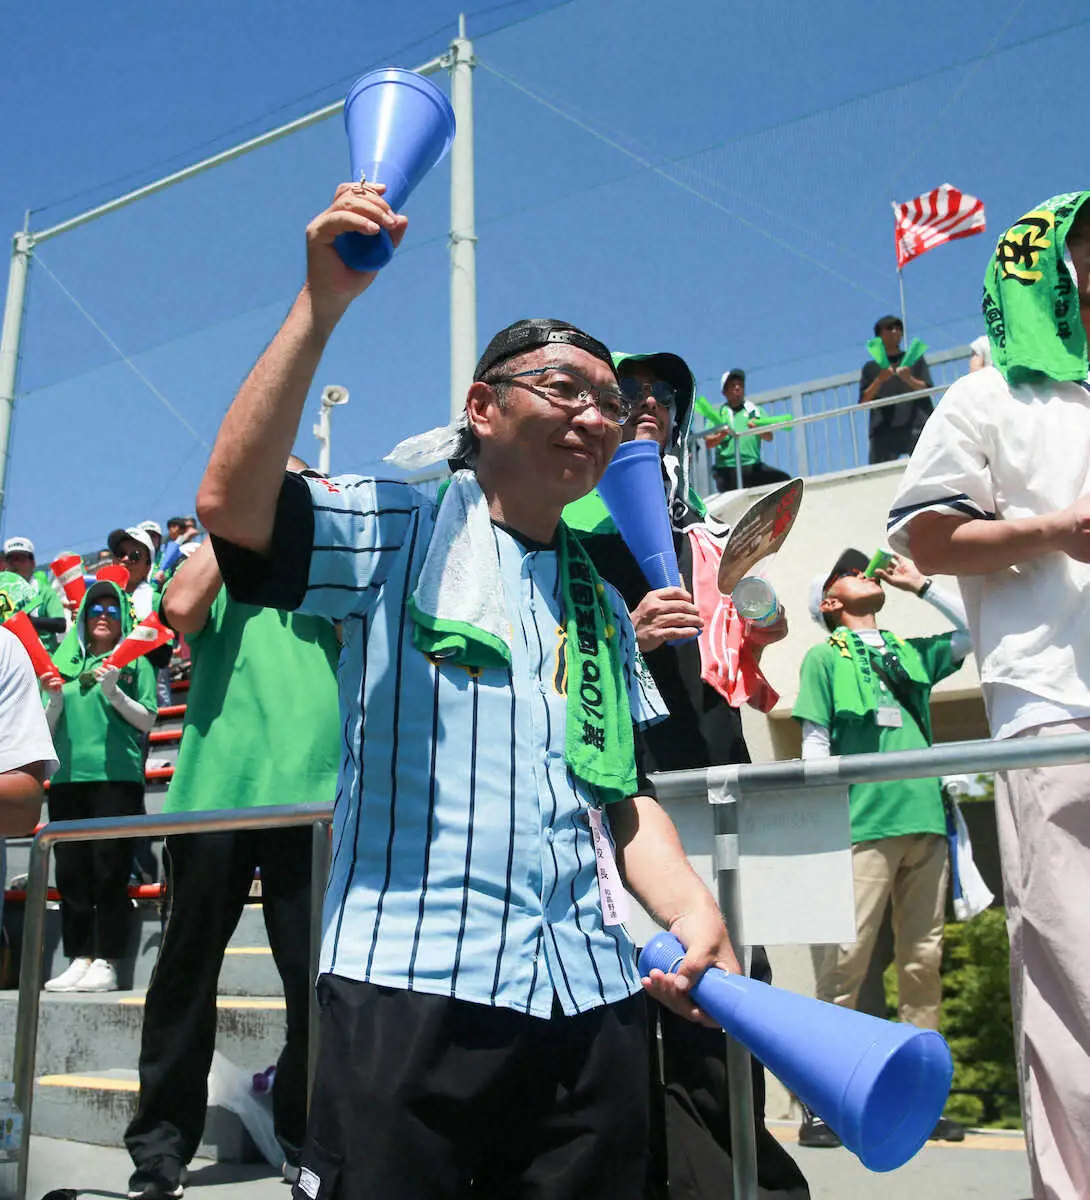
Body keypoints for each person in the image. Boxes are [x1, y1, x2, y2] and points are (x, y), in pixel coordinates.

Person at [195, 179, 738, 1200]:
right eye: (563, 387)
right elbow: (233, 502)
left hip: (595, 1003)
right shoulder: (404, 522)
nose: (594, 414)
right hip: (413, 997)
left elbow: (619, 797)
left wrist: (691, 907)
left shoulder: (597, 600)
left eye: (610, 404)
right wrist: (321, 305)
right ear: (482, 407)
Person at [566, 350, 808, 1199]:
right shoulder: (573, 531)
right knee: (642, 994)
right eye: (629, 392)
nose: (648, 406)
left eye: (663, 397)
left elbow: (753, 635)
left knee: (733, 984)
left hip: (719, 778)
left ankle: (735, 1162)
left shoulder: (702, 534)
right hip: (630, 798)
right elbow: (551, 667)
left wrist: (755, 613)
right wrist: (627, 634)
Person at [888, 190, 1090, 1200]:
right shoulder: (988, 397)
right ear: (1049, 264)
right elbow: (924, 538)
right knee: (1073, 978)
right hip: (1053, 710)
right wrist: (1054, 530)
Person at [124, 498, 340, 1200]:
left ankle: (306, 1142)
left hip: (313, 798)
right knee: (183, 980)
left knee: (318, 984)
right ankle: (159, 1154)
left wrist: (304, 511)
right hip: (213, 796)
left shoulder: (326, 567)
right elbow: (181, 607)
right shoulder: (217, 569)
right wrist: (240, 510)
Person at [793, 548, 969, 1148]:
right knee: (843, 965)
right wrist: (820, 822)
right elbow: (813, 745)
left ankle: (924, 1100)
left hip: (924, 819)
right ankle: (820, 1101)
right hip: (859, 826)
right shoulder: (823, 658)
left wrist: (922, 586)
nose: (864, 572)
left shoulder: (909, 653)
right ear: (830, 603)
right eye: (847, 571)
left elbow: (972, 632)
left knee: (924, 964)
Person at [42, 577, 158, 993]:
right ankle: (80, 957)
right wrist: (54, 701)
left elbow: (147, 720)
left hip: (116, 779)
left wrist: (115, 694)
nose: (104, 616)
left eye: (112, 610)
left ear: (122, 617)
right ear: (84, 616)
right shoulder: (62, 659)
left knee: (110, 870)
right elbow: (44, 725)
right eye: (96, 609)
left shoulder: (135, 660)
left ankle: (107, 960)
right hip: (68, 778)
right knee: (71, 873)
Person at [858, 316, 934, 463]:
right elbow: (863, 400)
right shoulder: (871, 367)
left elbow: (927, 388)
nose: (896, 331)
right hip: (883, 430)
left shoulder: (914, 359)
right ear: (880, 335)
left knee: (928, 465)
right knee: (880, 476)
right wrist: (879, 380)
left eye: (899, 328)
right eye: (890, 328)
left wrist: (908, 379)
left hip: (916, 424)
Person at [709, 369, 791, 492]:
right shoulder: (718, 414)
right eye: (732, 385)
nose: (737, 388)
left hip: (752, 467)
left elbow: (769, 437)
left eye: (740, 385)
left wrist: (758, 428)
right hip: (727, 470)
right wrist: (723, 433)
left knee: (784, 480)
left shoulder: (755, 411)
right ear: (724, 391)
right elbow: (708, 442)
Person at [3, 537, 67, 650]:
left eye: (21, 559)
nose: (15, 564)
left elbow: (60, 624)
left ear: (32, 563)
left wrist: (23, 621)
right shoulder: (2, 590)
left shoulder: (44, 591)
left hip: (42, 657)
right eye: (11, 559)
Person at [108, 528, 157, 620]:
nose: (126, 559)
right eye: (120, 553)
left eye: (135, 555)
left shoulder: (156, 601)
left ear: (148, 566)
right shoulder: (98, 599)